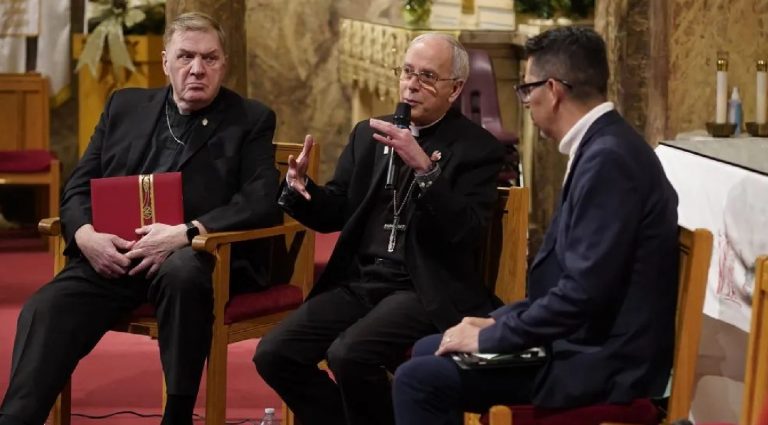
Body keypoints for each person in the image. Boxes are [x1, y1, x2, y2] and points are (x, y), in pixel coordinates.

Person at [0, 12, 281, 425]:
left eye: (210, 58)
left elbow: (260, 199)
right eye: (185, 56)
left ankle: (178, 414)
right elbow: (78, 185)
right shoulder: (124, 106)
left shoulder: (250, 119)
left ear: (224, 64)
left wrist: (186, 233)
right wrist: (85, 235)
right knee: (46, 307)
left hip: (195, 259)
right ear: (166, 61)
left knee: (182, 273)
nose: (197, 69)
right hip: (113, 254)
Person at [392, 26, 680, 424]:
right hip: (586, 340)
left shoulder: (610, 160)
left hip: (605, 362)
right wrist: (498, 321)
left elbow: (582, 295)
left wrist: (491, 336)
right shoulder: (604, 145)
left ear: (553, 90)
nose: (525, 102)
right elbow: (573, 282)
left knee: (417, 381)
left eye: (527, 90)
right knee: (430, 348)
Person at [253, 33, 504, 425]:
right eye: (407, 72)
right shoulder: (369, 134)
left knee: (349, 354)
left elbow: (467, 230)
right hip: (360, 281)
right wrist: (300, 189)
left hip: (421, 288)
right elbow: (336, 211)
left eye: (427, 76)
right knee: (274, 354)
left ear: (455, 89)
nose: (411, 84)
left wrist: (425, 169)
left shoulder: (478, 148)